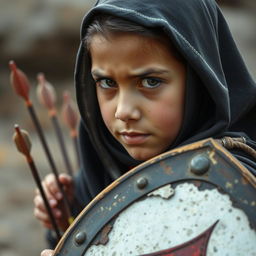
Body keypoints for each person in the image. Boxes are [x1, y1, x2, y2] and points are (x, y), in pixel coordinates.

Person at [36, 0, 256, 255]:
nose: (123, 111)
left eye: (150, 82)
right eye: (107, 82)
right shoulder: (100, 172)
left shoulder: (236, 178)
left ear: (200, 80)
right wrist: (66, 222)